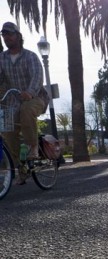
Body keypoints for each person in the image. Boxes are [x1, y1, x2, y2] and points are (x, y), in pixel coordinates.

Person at [0, 22, 49, 184]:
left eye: (10, 34)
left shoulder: (30, 56)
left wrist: (30, 92)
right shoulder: (2, 59)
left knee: (26, 110)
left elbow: (37, 76)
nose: (7, 37)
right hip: (13, 103)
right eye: (4, 35)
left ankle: (33, 147)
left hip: (36, 98)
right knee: (7, 130)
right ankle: (21, 169)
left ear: (18, 36)